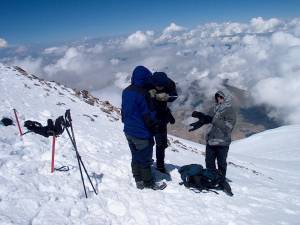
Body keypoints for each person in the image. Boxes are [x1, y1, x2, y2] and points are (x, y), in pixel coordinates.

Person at [121, 66, 166, 190]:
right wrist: (155, 127)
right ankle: (148, 182)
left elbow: (124, 110)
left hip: (128, 130)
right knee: (145, 159)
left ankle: (138, 179)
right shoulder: (144, 94)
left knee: (135, 155)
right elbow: (149, 116)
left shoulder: (126, 91)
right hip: (141, 133)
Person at [189, 90, 236, 195]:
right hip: (211, 141)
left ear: (225, 98)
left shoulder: (230, 111)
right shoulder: (214, 108)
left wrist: (213, 119)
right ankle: (212, 179)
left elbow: (228, 127)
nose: (219, 99)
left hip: (222, 142)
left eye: (221, 97)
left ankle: (221, 182)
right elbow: (207, 119)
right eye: (217, 97)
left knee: (221, 164)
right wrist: (200, 119)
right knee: (209, 162)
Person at [147, 72, 177, 173]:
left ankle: (160, 165)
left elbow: (174, 96)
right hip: (149, 116)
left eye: (161, 86)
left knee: (161, 144)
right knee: (147, 142)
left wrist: (158, 96)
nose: (159, 87)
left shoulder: (170, 84)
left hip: (162, 116)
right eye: (157, 86)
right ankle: (146, 163)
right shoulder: (148, 83)